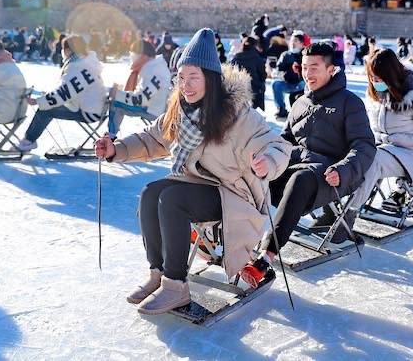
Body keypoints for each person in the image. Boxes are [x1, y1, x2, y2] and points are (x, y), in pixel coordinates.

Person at [94, 28, 292, 314]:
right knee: (151, 193)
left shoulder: (236, 114)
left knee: (172, 199)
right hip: (196, 185)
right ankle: (159, 275)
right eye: (181, 78)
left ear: (210, 79)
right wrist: (116, 149)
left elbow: (278, 145)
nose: (185, 85)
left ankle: (176, 287)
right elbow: (153, 139)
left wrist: (268, 162)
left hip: (233, 195)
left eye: (193, 78)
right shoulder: (181, 109)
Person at [240, 42, 376, 287]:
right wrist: (265, 156)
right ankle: (234, 238)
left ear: (331, 69)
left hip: (331, 174)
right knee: (253, 174)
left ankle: (265, 258)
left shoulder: (350, 103)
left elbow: (365, 146)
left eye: (314, 67)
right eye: (304, 67)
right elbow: (285, 141)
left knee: (300, 179)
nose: (308, 73)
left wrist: (343, 170)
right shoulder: (300, 102)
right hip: (299, 167)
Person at [345, 48, 413, 217]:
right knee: (353, 154)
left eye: (379, 78)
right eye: (372, 78)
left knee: (372, 160)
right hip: (383, 147)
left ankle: (348, 211)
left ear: (391, 75)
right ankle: (335, 201)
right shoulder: (376, 93)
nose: (375, 82)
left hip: (411, 153)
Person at [16, 35, 107, 151]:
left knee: (45, 109)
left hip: (89, 111)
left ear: (68, 50)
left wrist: (38, 101)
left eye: (63, 49)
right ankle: (29, 140)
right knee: (49, 105)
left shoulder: (76, 66)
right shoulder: (87, 61)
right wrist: (48, 95)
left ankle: (28, 141)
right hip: (95, 107)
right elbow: (69, 89)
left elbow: (64, 92)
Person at [107, 40, 171, 138]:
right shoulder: (156, 66)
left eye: (133, 55)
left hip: (152, 111)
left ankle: (110, 138)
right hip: (156, 107)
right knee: (117, 100)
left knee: (116, 104)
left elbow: (140, 99)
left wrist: (117, 94)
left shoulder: (152, 70)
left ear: (143, 56)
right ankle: (111, 137)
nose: (131, 59)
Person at [271, 33, 305, 119]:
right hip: (288, 83)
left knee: (305, 83)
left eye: (295, 41)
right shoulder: (286, 55)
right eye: (291, 41)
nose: (293, 43)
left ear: (301, 44)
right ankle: (281, 109)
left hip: (301, 83)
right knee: (276, 84)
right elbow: (279, 68)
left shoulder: (305, 54)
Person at [230, 35, 267, 110]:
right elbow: (263, 75)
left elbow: (231, 73)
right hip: (255, 88)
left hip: (238, 87)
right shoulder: (257, 58)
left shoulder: (236, 57)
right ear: (255, 45)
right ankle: (258, 107)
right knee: (261, 84)